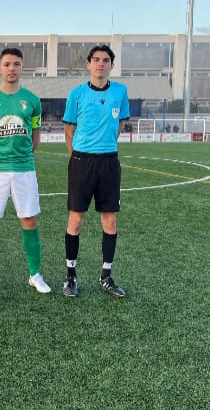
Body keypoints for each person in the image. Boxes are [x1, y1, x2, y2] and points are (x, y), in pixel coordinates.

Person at [0, 48, 50, 294]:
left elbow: (35, 136)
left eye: (16, 64)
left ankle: (35, 274)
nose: (11, 68)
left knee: (29, 220)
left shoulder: (32, 101)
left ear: (22, 68)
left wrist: (22, 154)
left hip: (24, 168)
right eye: (7, 64)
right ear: (0, 68)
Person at [62, 44, 130, 298]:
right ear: (88, 64)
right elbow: (69, 131)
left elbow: (120, 124)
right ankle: (70, 276)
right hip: (82, 162)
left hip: (109, 163)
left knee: (110, 221)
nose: (101, 64)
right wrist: (79, 158)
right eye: (96, 60)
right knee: (76, 219)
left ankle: (106, 276)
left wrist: (104, 148)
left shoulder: (120, 92)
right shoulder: (76, 94)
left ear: (111, 65)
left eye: (106, 60)